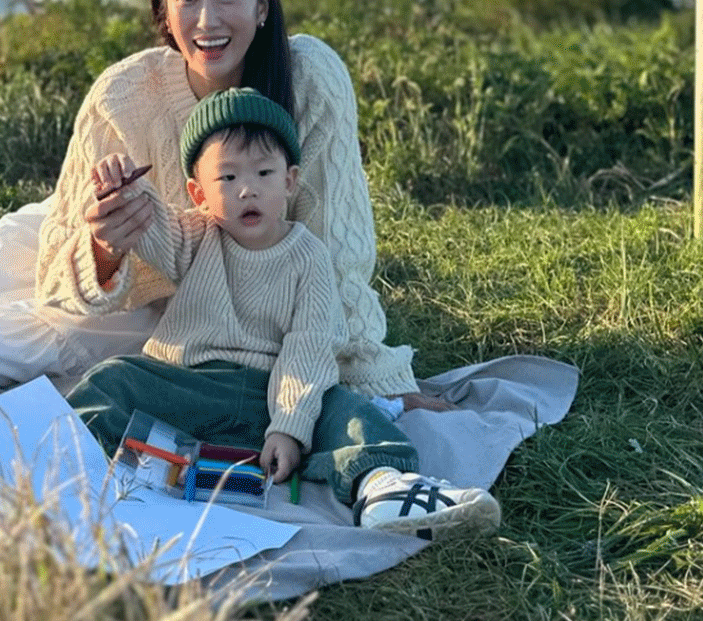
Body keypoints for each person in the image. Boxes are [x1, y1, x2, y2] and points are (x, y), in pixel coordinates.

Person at [35, 0, 452, 414]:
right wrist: (104, 249)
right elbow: (54, 277)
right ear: (164, 14)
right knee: (14, 345)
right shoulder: (121, 96)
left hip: (274, 294)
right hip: (163, 305)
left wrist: (377, 380)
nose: (208, 20)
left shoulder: (311, 79)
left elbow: (339, 252)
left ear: (261, 7)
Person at [63, 87, 501, 535]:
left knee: (347, 410)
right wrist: (124, 188)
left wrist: (289, 428)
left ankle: (383, 487)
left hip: (268, 396)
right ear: (198, 193)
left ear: (289, 181)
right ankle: (60, 464)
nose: (248, 189)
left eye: (264, 172)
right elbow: (150, 228)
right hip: (192, 386)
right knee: (112, 380)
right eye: (227, 179)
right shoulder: (195, 236)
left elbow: (308, 348)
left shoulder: (308, 257)